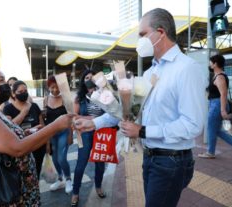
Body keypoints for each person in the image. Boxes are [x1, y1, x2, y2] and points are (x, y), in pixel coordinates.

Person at [74, 8, 207, 207]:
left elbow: (192, 124)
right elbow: (129, 112)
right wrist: (93, 123)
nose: (140, 41)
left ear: (160, 33)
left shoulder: (186, 69)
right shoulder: (150, 72)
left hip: (171, 161)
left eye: (143, 34)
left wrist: (143, 131)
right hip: (151, 157)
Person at [0, 66, 73, 206]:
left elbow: (8, 141)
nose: (6, 85)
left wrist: (27, 132)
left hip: (20, 188)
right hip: (9, 193)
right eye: (1, 81)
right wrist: (55, 126)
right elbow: (17, 148)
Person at [71, 70, 106, 207]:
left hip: (101, 133)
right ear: (83, 81)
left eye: (92, 77)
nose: (90, 79)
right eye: (87, 77)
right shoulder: (79, 97)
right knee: (81, 163)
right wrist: (93, 119)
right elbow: (74, 116)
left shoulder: (104, 94)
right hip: (84, 132)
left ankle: (98, 186)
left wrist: (96, 121)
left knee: (100, 164)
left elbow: (110, 113)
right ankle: (75, 192)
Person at [3, 80, 46, 179]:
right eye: (20, 92)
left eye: (25, 91)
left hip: (37, 146)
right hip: (20, 147)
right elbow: (10, 127)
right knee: (21, 176)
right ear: (13, 94)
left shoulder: (34, 106)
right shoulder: (8, 108)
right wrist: (24, 112)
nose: (24, 93)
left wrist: (47, 144)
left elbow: (42, 125)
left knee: (36, 172)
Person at [198, 54, 232, 159]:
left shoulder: (220, 77)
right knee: (216, 130)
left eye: (211, 62)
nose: (209, 64)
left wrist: (222, 110)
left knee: (212, 128)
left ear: (215, 64)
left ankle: (210, 152)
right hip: (215, 103)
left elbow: (223, 94)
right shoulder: (217, 76)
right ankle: (211, 151)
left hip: (217, 105)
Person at [44, 75, 73, 194]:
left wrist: (70, 134)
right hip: (51, 134)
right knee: (55, 159)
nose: (55, 90)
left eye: (57, 87)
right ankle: (60, 179)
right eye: (52, 87)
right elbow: (45, 118)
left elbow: (71, 119)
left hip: (63, 133)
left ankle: (68, 179)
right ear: (48, 87)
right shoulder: (46, 99)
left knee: (61, 158)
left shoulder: (66, 99)